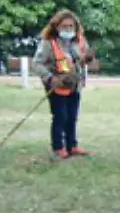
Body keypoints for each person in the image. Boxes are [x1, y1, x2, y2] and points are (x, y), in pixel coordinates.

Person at [31, 9, 94, 161]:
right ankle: (58, 148)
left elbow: (84, 58)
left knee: (72, 117)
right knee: (60, 116)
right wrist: (49, 77)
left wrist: (88, 58)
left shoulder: (79, 41)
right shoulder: (48, 43)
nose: (68, 29)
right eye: (64, 26)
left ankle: (72, 146)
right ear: (56, 26)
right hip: (56, 85)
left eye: (71, 26)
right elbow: (36, 64)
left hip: (74, 85)